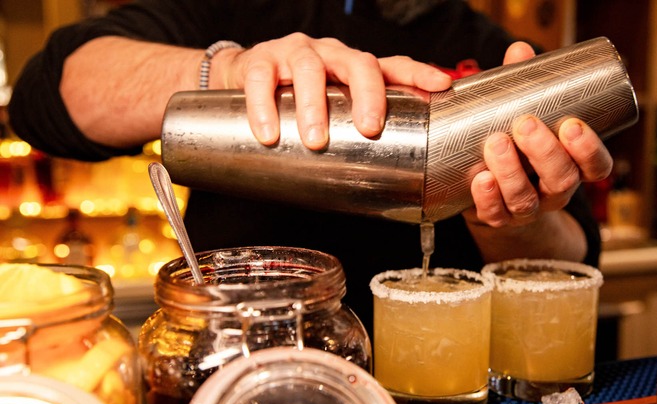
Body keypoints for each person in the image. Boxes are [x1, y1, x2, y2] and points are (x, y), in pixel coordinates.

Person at [8, 0, 611, 335]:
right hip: (236, 356)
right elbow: (47, 96)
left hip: (428, 375)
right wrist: (231, 70)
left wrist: (510, 217)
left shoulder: (491, 49)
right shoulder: (236, 11)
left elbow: (574, 259)